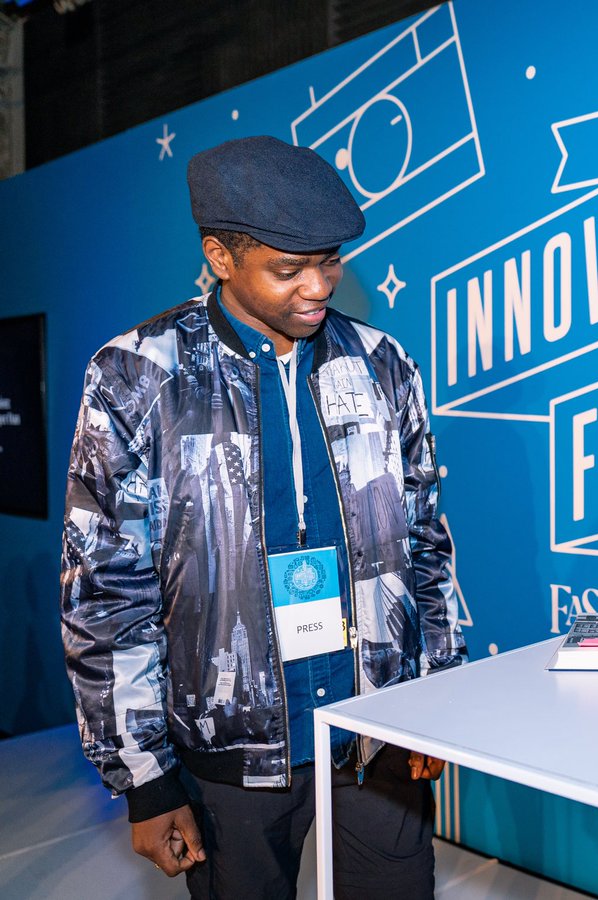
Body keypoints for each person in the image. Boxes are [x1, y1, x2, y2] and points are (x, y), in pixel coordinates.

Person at [60, 135, 467, 899]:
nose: (318, 286)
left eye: (331, 262)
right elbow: (105, 592)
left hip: (376, 732)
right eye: (288, 269)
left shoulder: (382, 364)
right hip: (229, 753)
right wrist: (145, 779)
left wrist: (433, 700)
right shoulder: (136, 375)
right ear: (219, 257)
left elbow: (426, 545)